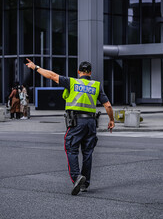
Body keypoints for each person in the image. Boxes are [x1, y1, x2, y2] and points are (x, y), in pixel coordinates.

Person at [26, 58, 115, 196]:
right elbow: (108, 105)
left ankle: (76, 177)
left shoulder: (72, 82)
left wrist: (35, 67)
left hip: (76, 122)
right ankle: (85, 184)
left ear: (79, 72)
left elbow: (52, 75)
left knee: (71, 149)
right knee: (88, 153)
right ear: (90, 72)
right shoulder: (96, 85)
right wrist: (111, 120)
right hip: (91, 123)